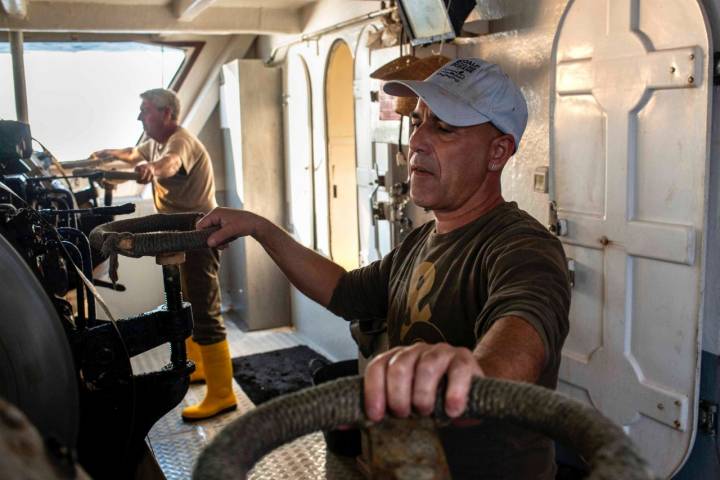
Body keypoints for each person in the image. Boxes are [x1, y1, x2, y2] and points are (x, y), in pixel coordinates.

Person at [197, 59, 570, 478]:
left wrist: (473, 376)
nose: (417, 141)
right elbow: (344, 291)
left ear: (497, 152)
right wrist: (262, 229)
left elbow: (522, 332)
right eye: (418, 122)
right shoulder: (419, 240)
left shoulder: (523, 246)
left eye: (444, 128)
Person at [92, 88, 237, 421]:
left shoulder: (179, 141)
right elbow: (132, 152)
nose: (139, 116)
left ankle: (223, 394)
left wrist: (151, 170)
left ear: (167, 113)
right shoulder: (153, 140)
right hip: (180, 234)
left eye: (145, 110)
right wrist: (105, 154)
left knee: (204, 309)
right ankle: (199, 367)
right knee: (186, 302)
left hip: (200, 236)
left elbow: (169, 165)